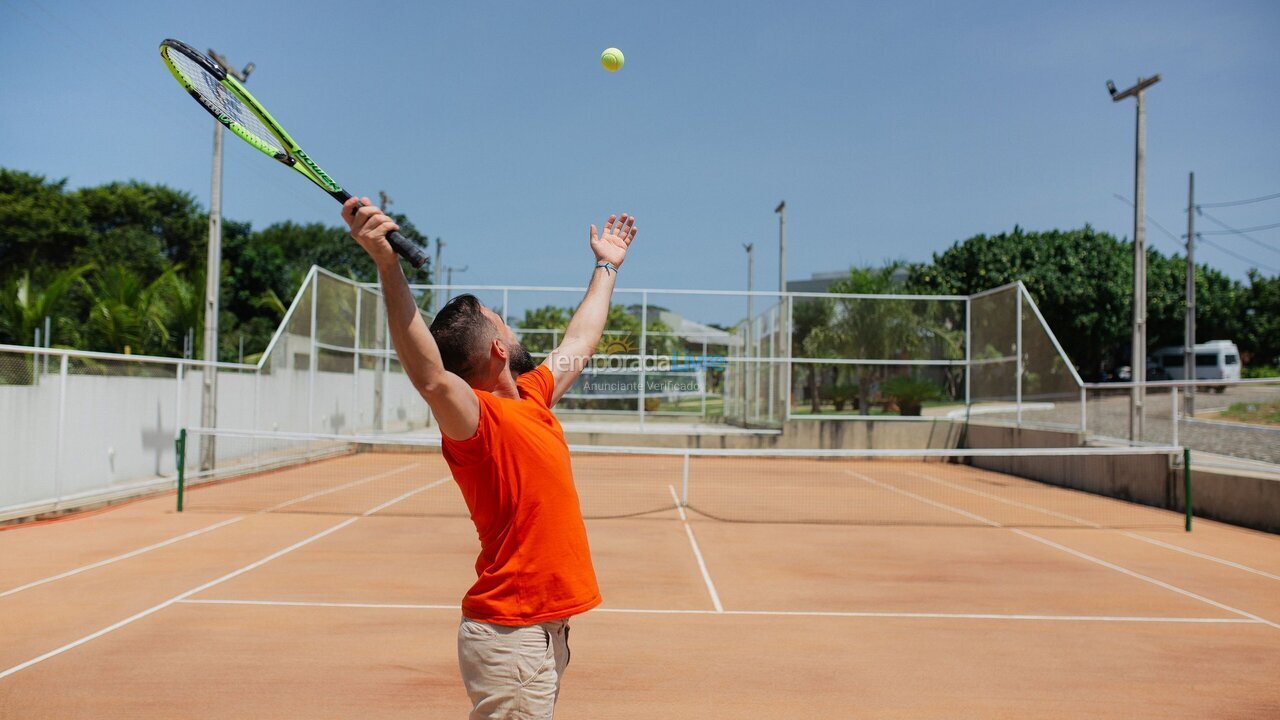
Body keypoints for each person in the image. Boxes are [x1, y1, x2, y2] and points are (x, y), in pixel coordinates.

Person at [341, 197, 638, 719]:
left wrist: (606, 266)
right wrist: (387, 264)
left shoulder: (533, 397)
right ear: (499, 349)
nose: (511, 327)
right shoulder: (477, 422)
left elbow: (581, 340)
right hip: (513, 633)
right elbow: (431, 378)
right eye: (503, 323)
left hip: (540, 632)